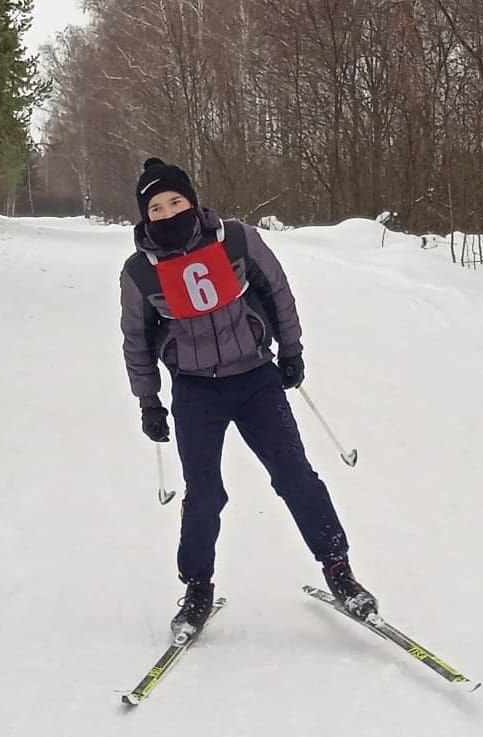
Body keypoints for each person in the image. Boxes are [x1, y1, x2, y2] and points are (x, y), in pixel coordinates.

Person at [119, 158, 377, 640]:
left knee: (295, 475)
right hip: (195, 389)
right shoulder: (140, 272)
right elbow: (136, 338)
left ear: (192, 201)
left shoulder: (235, 239)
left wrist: (292, 351)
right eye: (156, 207)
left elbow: (276, 290)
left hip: (254, 378)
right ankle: (197, 588)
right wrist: (148, 402)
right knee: (205, 493)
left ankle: (340, 572)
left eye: (176, 201)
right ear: (144, 216)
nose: (168, 211)